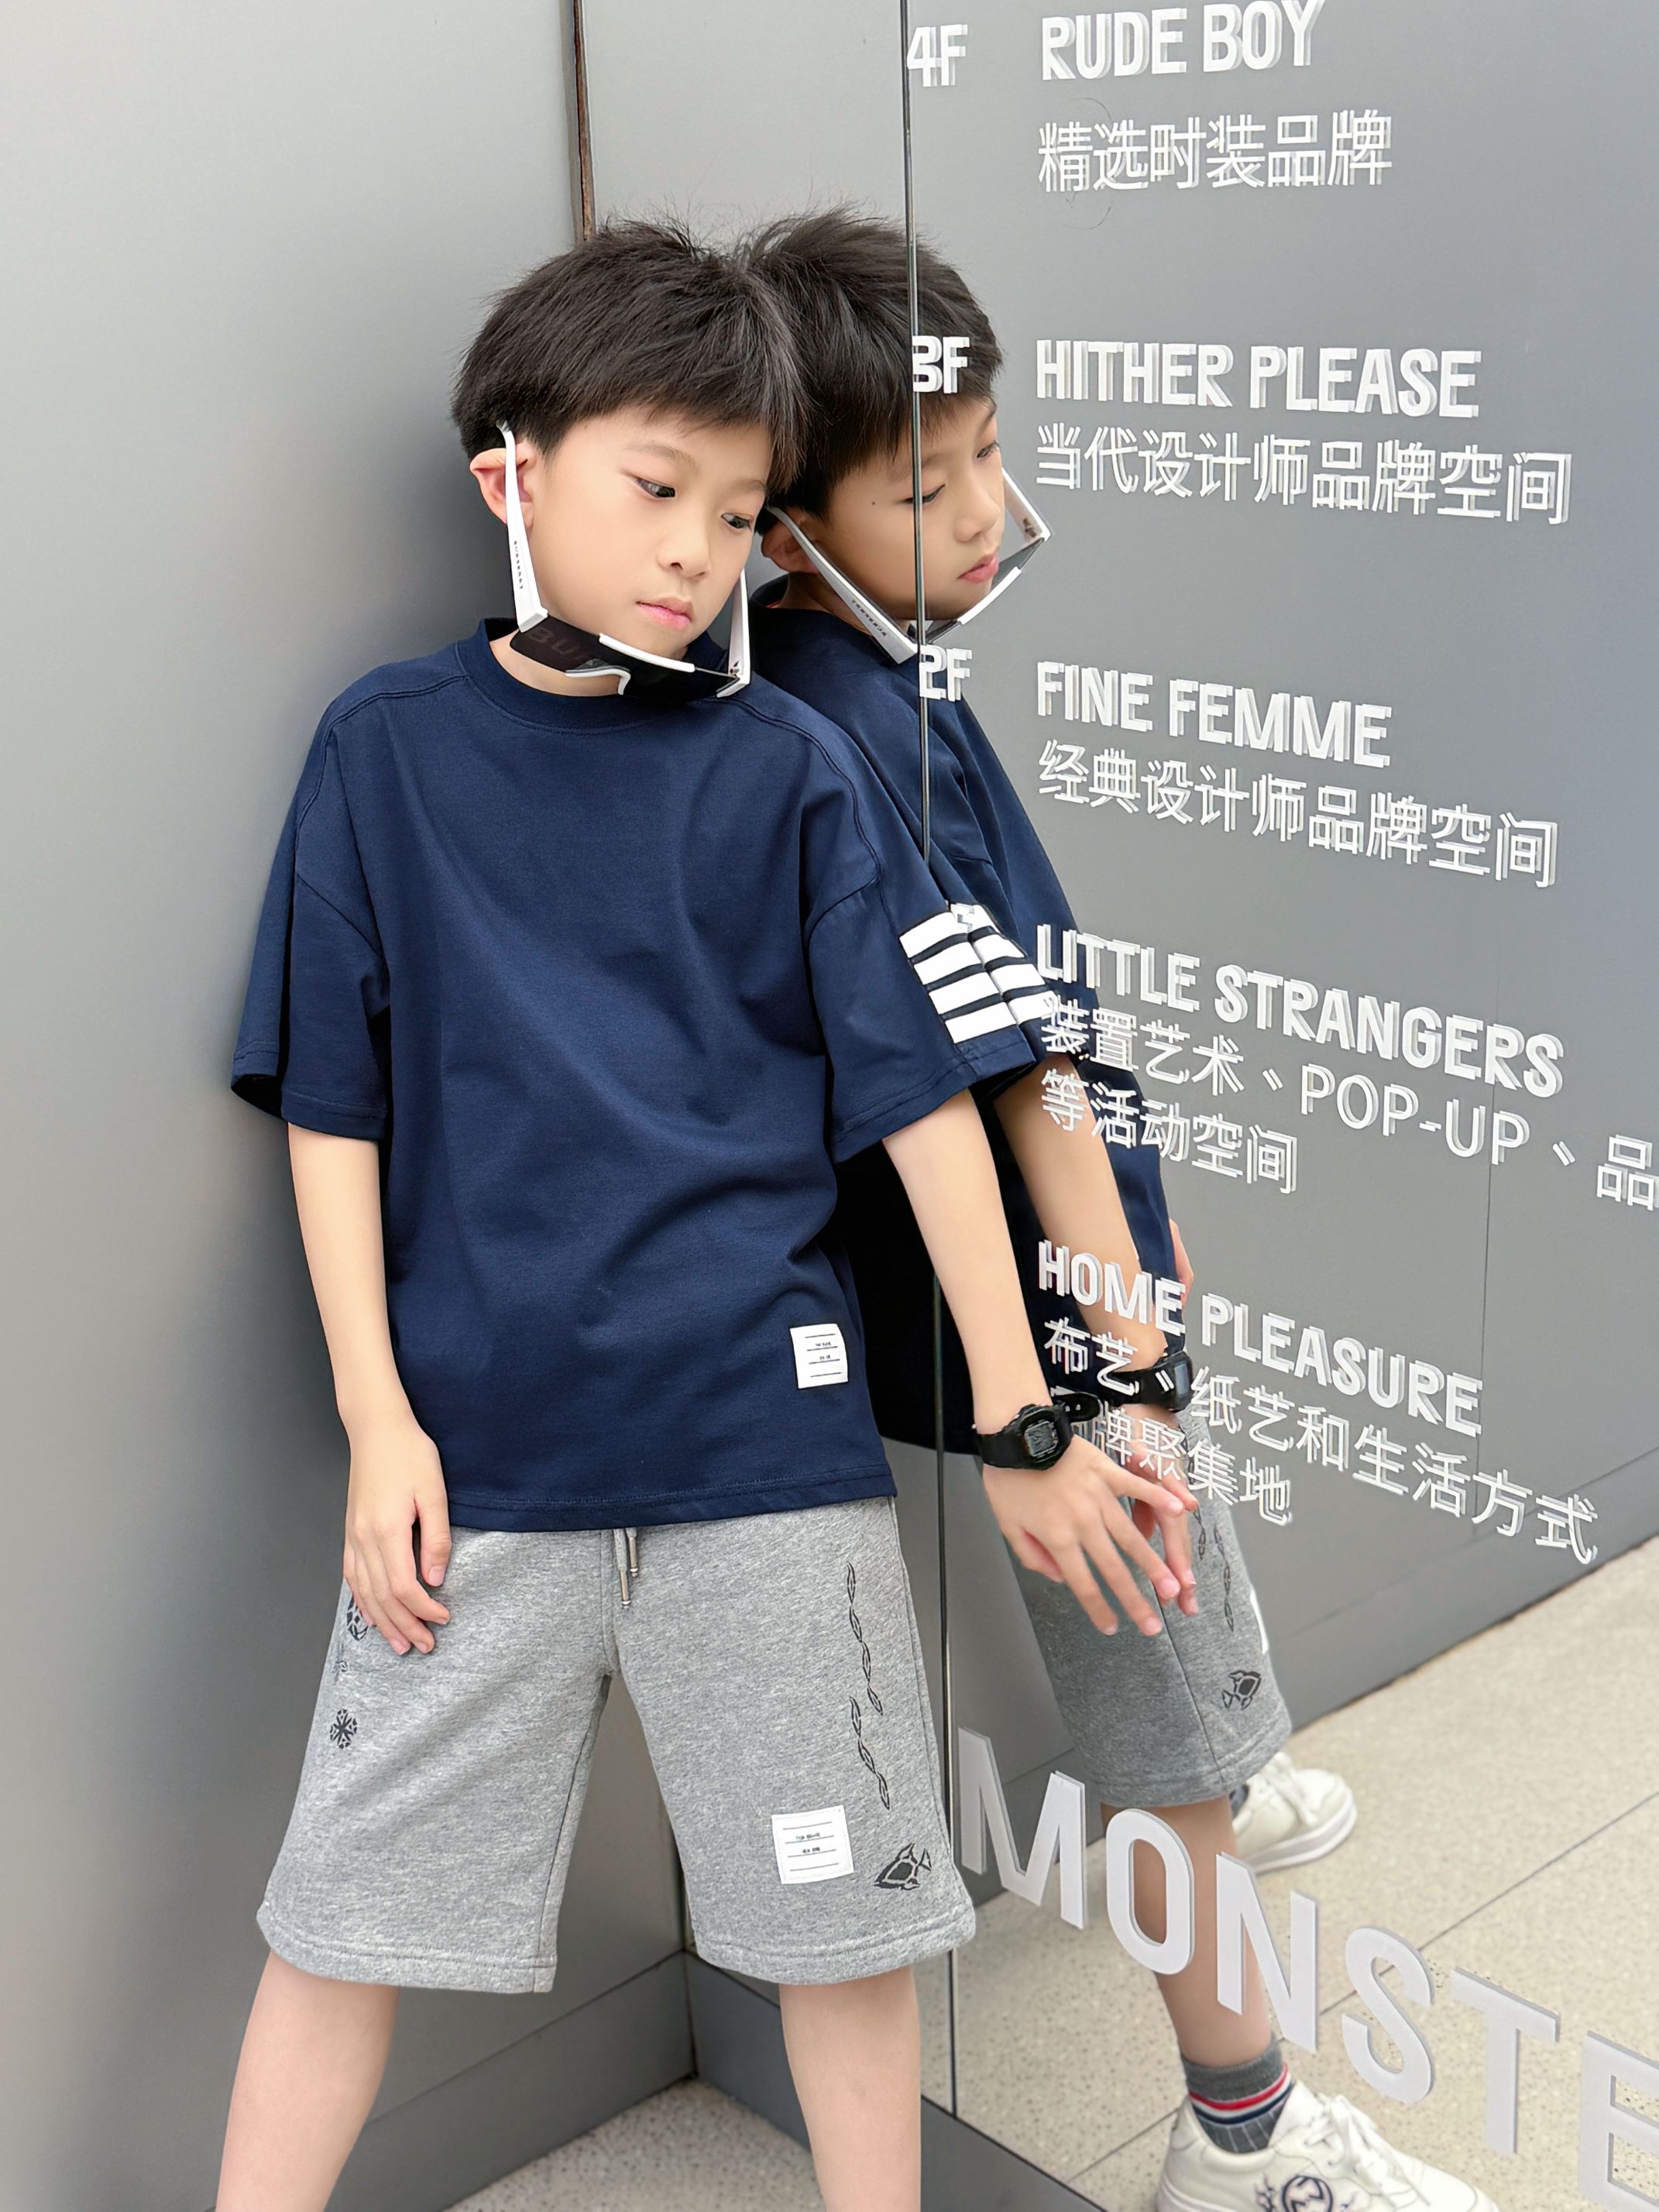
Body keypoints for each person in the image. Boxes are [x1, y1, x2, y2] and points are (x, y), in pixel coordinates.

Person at [213, 217, 1201, 2212]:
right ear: (511, 475)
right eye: (655, 489)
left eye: (738, 514)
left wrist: (1030, 1415)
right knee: (341, 1916)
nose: (694, 553)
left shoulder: (789, 768)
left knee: (848, 1934)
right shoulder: (384, 754)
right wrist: (379, 1425)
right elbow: (333, 1114)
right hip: (479, 1466)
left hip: (769, 1452)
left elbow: (925, 1114)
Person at [747, 210, 1491, 2212]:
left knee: (1177, 1688)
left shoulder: (876, 676)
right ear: (786, 526)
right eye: (928, 485)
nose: (988, 509)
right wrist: (1116, 1331)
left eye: (990, 452)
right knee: (1161, 1732)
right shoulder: (848, 726)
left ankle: (1221, 1759)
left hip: (1063, 1283)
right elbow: (1008, 1066)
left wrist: (1138, 1247)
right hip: (1040, 1313)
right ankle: (1248, 2142)